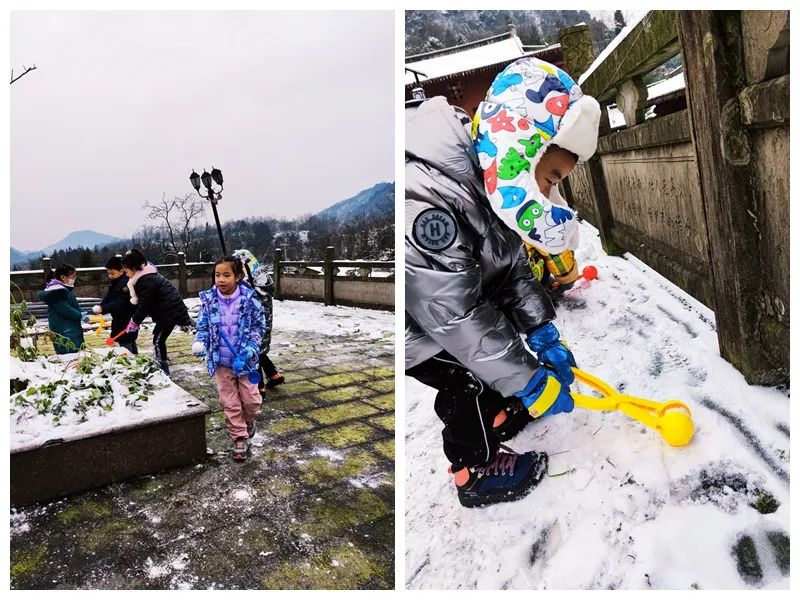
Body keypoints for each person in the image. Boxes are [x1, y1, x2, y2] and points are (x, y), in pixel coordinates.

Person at [405, 56, 600, 508]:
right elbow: (454, 316)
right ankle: (473, 471)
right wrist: (528, 378)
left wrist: (541, 330)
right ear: (521, 146)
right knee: (467, 381)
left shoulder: (483, 185)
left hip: (451, 318)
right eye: (551, 179)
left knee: (495, 357)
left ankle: (497, 414)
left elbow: (511, 267)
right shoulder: (427, 198)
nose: (549, 194)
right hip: (422, 332)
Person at [191, 255, 266, 461]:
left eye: (226, 275)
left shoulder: (250, 301)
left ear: (238, 276)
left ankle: (249, 421)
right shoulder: (209, 301)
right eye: (217, 275)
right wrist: (200, 341)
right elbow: (203, 325)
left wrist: (251, 349)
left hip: (245, 362)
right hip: (222, 363)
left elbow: (259, 328)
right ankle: (239, 438)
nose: (221, 280)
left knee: (252, 402)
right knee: (230, 402)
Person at [121, 249, 192, 375]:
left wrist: (134, 321)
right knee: (158, 336)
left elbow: (144, 306)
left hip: (169, 313)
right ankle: (162, 358)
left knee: (158, 340)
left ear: (134, 268)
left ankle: (163, 368)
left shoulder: (145, 281)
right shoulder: (147, 276)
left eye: (126, 271)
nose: (126, 275)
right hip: (168, 312)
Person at [232, 248, 284, 393]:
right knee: (260, 354)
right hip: (265, 327)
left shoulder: (252, 289)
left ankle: (258, 388)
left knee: (253, 356)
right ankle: (274, 375)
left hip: (255, 329)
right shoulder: (263, 282)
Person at [91, 255, 138, 354]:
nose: (110, 276)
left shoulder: (125, 284)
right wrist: (101, 305)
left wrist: (103, 308)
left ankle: (131, 361)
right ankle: (134, 356)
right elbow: (110, 296)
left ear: (121, 271)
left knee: (126, 341)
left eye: (112, 273)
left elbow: (121, 302)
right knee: (129, 340)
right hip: (120, 318)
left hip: (126, 318)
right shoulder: (117, 282)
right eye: (108, 273)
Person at [38, 263, 88, 354]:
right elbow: (65, 309)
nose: (74, 279)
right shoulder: (56, 292)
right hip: (63, 329)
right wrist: (79, 315)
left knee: (77, 352)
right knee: (69, 352)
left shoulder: (66, 289)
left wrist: (82, 312)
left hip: (71, 326)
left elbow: (74, 305)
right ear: (63, 277)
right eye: (72, 276)